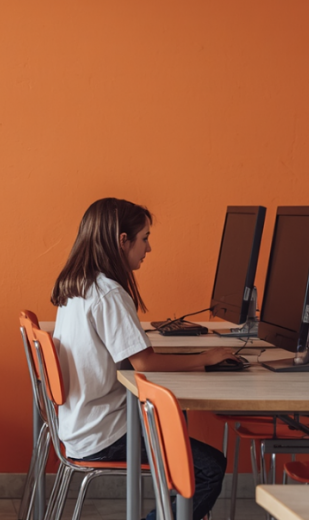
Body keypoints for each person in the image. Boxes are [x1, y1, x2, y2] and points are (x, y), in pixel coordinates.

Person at [51, 198, 229, 520]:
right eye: (144, 238)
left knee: (174, 432)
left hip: (81, 425)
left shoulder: (79, 286)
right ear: (123, 240)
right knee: (210, 469)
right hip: (104, 433)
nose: (148, 249)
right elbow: (144, 363)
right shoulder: (109, 293)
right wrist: (206, 357)